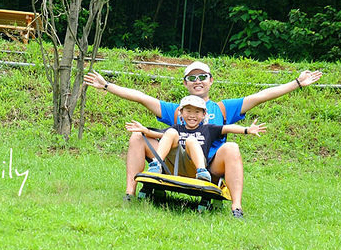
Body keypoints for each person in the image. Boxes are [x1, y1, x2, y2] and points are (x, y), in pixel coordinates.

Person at [84, 61, 322, 218]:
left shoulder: (224, 108)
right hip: (175, 162)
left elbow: (261, 96)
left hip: (207, 168)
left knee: (232, 147)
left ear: (211, 81)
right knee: (138, 136)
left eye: (203, 76)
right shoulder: (177, 109)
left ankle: (236, 207)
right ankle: (130, 193)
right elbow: (141, 97)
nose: (198, 80)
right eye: (192, 77)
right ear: (185, 83)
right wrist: (106, 86)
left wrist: (297, 83)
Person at [125, 95, 266, 184]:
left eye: (197, 112)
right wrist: (145, 131)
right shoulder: (176, 129)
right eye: (188, 111)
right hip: (176, 167)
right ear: (181, 113)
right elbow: (162, 136)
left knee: (191, 140)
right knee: (171, 132)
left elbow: (228, 128)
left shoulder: (208, 129)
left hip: (197, 166)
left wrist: (247, 130)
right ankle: (157, 165)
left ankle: (202, 172)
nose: (192, 115)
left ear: (204, 114)